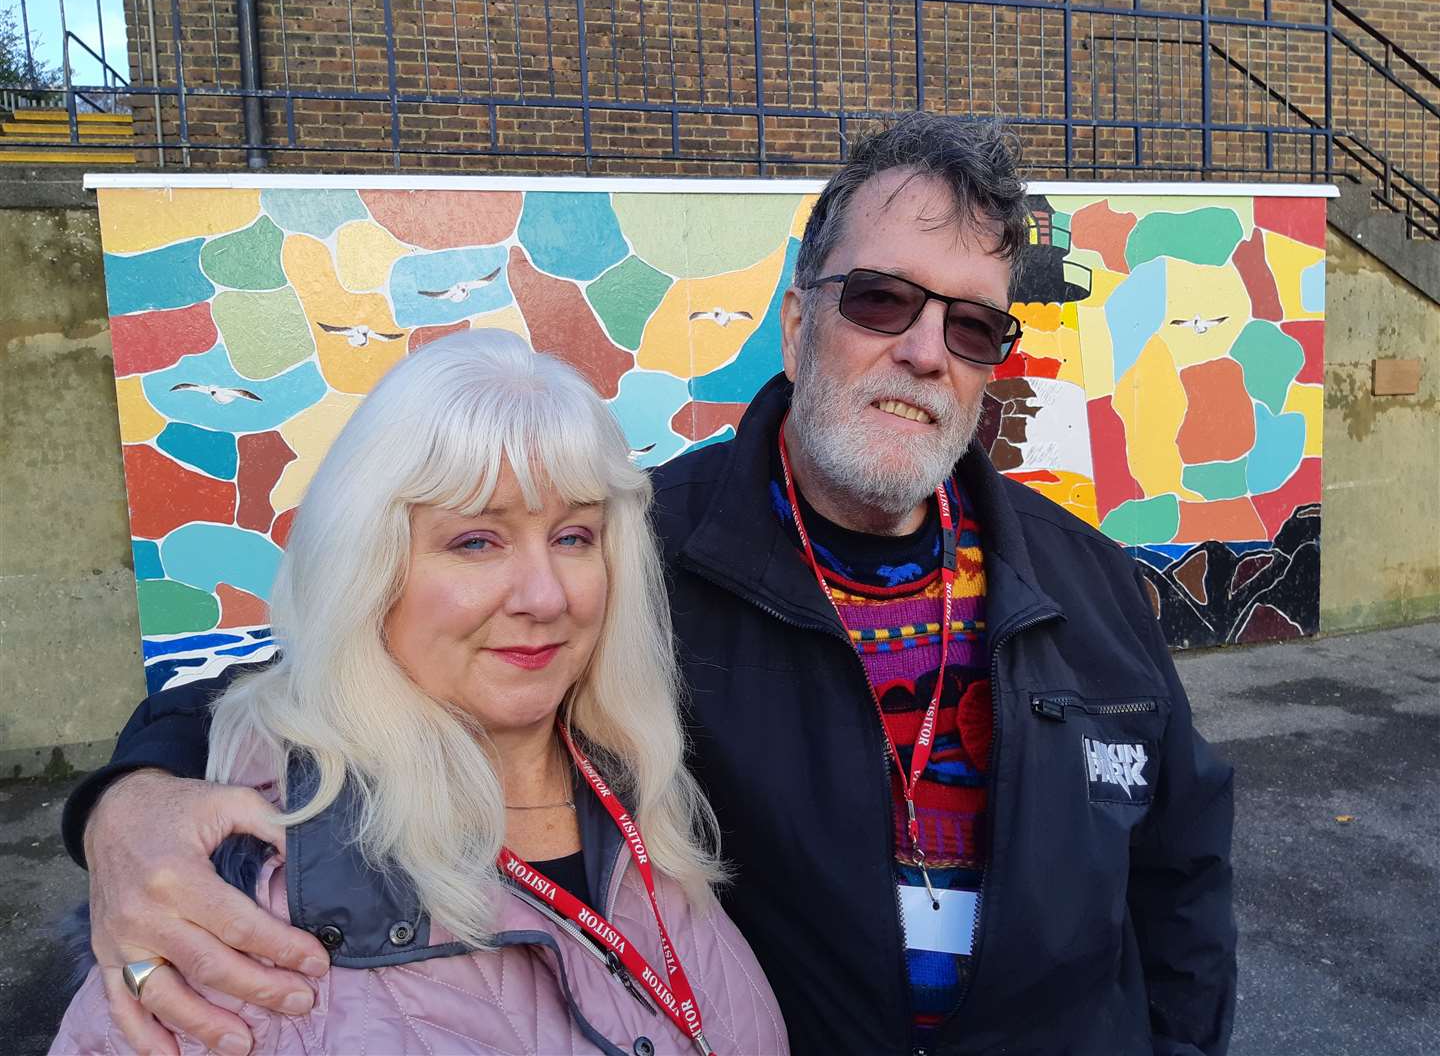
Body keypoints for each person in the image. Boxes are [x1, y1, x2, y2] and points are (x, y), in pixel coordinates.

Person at [64, 113, 1235, 1055]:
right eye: (883, 300)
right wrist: (127, 802)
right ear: (797, 318)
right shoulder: (633, 550)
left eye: (973, 326)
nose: (924, 351)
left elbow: (1181, 872)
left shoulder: (1085, 579)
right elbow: (346, 655)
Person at [51, 332, 788, 1054]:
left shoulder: (646, 783)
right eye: (476, 541)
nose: (545, 595)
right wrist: (122, 801)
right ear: (367, 570)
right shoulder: (237, 893)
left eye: (573, 538)